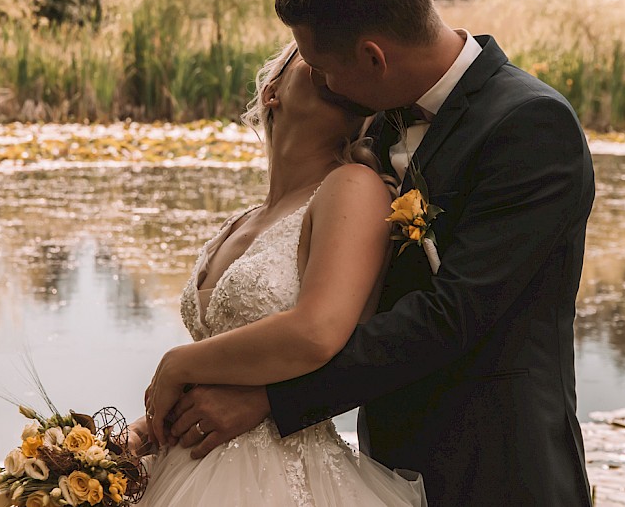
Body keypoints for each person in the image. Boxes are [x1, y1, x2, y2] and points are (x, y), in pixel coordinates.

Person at [160, 0, 597, 506]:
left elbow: (453, 314)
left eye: (324, 69)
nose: (327, 86)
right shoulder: (377, 123)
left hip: (497, 468)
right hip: (385, 461)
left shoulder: (529, 125)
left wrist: (273, 399)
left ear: (372, 56)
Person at [135, 43, 427, 505]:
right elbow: (227, 366)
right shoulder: (243, 220)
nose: (332, 56)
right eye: (312, 51)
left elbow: (315, 332)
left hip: (282, 474)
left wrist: (178, 363)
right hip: (189, 467)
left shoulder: (352, 187)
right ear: (273, 92)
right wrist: (144, 430)